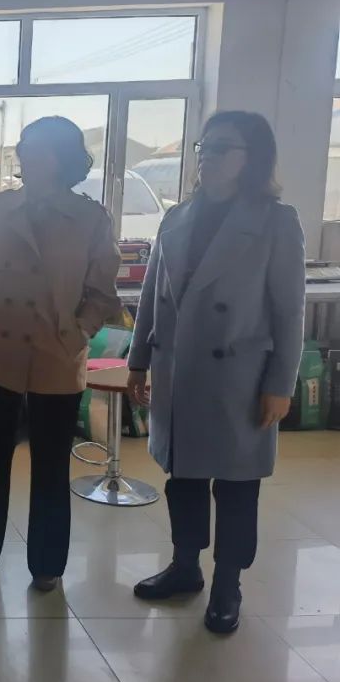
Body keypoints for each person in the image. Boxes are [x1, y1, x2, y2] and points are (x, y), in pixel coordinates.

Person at [128, 111, 305, 634]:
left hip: (239, 378)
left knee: (236, 487)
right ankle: (185, 566)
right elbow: (151, 297)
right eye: (204, 147)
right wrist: (138, 360)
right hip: (179, 372)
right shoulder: (176, 217)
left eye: (223, 147)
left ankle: (229, 582)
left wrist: (280, 385)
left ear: (253, 158)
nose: (208, 157)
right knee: (182, 478)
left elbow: (289, 312)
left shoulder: (275, 221)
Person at [0, 116, 122, 593]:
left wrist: (78, 332)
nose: (26, 154)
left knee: (51, 463)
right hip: (0, 350)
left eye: (39, 148)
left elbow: (102, 292)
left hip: (57, 351)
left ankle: (48, 564)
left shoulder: (90, 219)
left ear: (64, 157)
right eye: (24, 145)